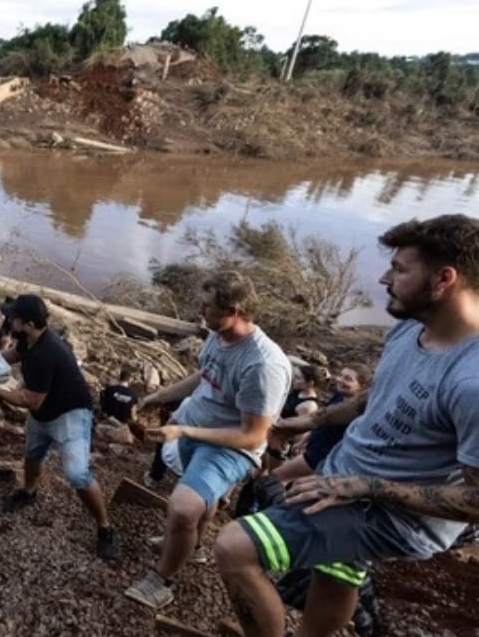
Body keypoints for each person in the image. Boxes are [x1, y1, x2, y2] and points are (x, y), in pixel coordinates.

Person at [214, 214, 479, 637]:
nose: (384, 278)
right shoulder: (413, 327)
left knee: (235, 547)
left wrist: (365, 487)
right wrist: (303, 422)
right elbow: (376, 398)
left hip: (393, 515)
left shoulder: (471, 381)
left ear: (445, 279)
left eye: (400, 269)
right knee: (336, 572)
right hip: (346, 480)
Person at [125, 271, 291, 610]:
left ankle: (162, 581)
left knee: (183, 507)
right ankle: (194, 547)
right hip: (197, 426)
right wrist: (161, 396)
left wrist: (184, 431)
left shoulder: (262, 365)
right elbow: (206, 375)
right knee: (202, 498)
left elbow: (253, 435)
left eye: (206, 306)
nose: (199, 312)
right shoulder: (218, 336)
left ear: (233, 309)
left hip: (230, 446)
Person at [0, 294, 121, 558]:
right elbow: (12, 355)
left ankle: (105, 527)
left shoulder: (48, 352)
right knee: (33, 455)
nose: (9, 320)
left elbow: (31, 401)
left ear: (29, 323)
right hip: (44, 412)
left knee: (76, 474)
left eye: (14, 318)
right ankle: (28, 491)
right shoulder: (28, 339)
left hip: (69, 413)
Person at [269, 364, 373, 483]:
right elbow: (322, 420)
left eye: (348, 379)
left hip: (322, 456)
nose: (340, 380)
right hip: (313, 447)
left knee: (276, 477)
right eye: (341, 375)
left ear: (362, 386)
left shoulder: (360, 415)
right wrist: (304, 441)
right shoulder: (339, 397)